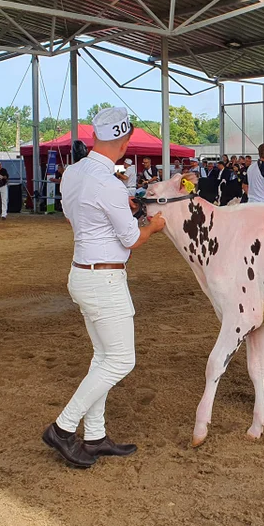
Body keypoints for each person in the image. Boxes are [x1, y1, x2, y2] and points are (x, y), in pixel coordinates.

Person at [43, 106, 166, 468]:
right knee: (121, 360)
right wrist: (154, 225)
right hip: (104, 278)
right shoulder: (111, 184)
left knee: (103, 357)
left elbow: (72, 215)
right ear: (125, 140)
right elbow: (131, 238)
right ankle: (63, 428)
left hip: (83, 270)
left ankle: (94, 435)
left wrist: (112, 210)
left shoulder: (74, 173)